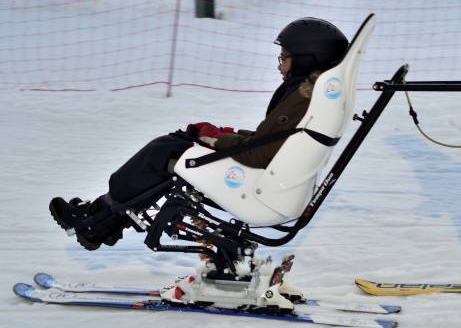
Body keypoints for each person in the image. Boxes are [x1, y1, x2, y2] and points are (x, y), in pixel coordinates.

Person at [49, 18, 350, 251]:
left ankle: (96, 221)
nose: (281, 65)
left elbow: (260, 152)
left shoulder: (301, 97)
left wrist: (217, 140)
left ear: (308, 58)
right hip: (275, 181)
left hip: (261, 187)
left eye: (285, 58)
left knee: (163, 151)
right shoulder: (314, 95)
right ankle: (101, 219)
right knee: (175, 144)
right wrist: (224, 134)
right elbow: (274, 140)